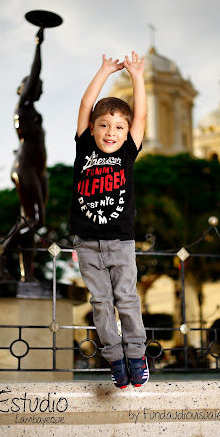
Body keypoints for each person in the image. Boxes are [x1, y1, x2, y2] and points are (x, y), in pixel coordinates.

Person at [70, 52, 149, 388]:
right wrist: (103, 71)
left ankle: (136, 355)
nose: (110, 132)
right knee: (101, 303)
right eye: (104, 125)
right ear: (92, 128)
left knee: (127, 300)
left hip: (120, 241)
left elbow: (141, 112)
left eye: (119, 126)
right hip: (86, 244)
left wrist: (137, 76)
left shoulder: (129, 150)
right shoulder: (85, 146)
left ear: (128, 131)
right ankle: (115, 359)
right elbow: (87, 103)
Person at [0, 28, 48, 283]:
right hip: (24, 167)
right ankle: (0, 255)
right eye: (33, 86)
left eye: (40, 88)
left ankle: (27, 274)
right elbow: (35, 72)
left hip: (38, 172)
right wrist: (38, 45)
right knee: (36, 220)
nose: (38, 88)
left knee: (31, 222)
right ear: (23, 89)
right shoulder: (22, 106)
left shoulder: (34, 110)